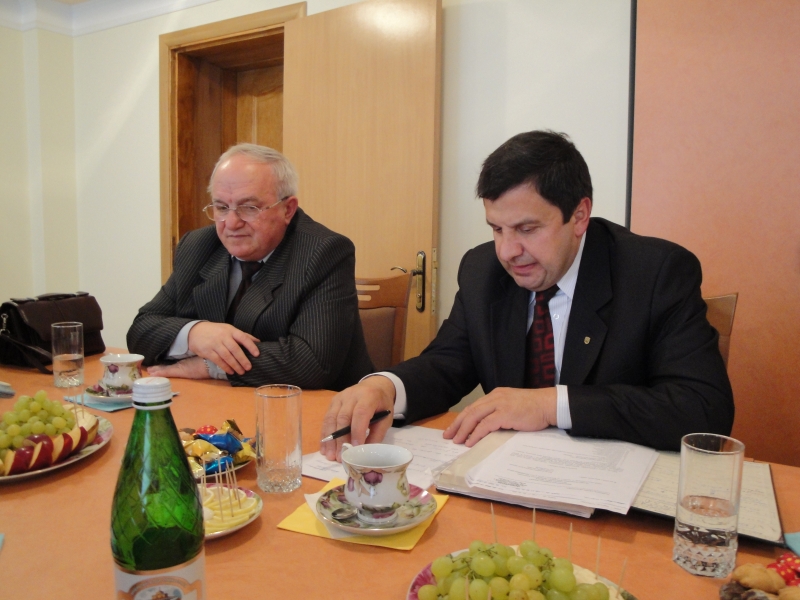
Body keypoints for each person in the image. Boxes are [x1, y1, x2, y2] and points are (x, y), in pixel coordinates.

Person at [321, 130, 733, 457]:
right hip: (510, 483)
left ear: (579, 216)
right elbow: (447, 363)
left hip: (612, 493)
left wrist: (548, 405)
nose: (507, 251)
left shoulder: (655, 272)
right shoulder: (483, 270)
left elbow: (703, 408)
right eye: (497, 229)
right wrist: (386, 387)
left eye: (527, 229)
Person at [127, 144, 373, 390]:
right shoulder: (198, 246)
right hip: (221, 400)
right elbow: (140, 332)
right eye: (221, 207)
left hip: (317, 404)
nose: (231, 223)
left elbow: (312, 362)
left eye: (249, 208)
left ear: (287, 209)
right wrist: (194, 334)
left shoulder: (323, 252)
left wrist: (211, 365)